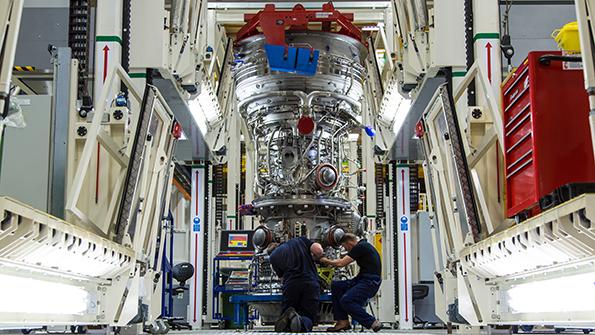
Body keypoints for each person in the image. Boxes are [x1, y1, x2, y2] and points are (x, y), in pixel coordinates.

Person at [320, 233, 382, 332]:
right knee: (337, 285)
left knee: (346, 300)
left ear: (349, 243)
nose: (346, 249)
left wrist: (324, 260)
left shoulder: (361, 247)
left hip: (370, 282)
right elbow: (346, 256)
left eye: (345, 246)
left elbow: (341, 263)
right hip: (361, 279)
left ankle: (372, 322)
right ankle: (343, 321)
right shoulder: (362, 246)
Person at [268, 237, 325, 332]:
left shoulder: (273, 257)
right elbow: (318, 251)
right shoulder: (299, 240)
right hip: (310, 283)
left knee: (288, 310)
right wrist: (318, 259)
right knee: (308, 315)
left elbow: (281, 278)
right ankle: (301, 322)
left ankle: (290, 318)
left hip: (291, 285)